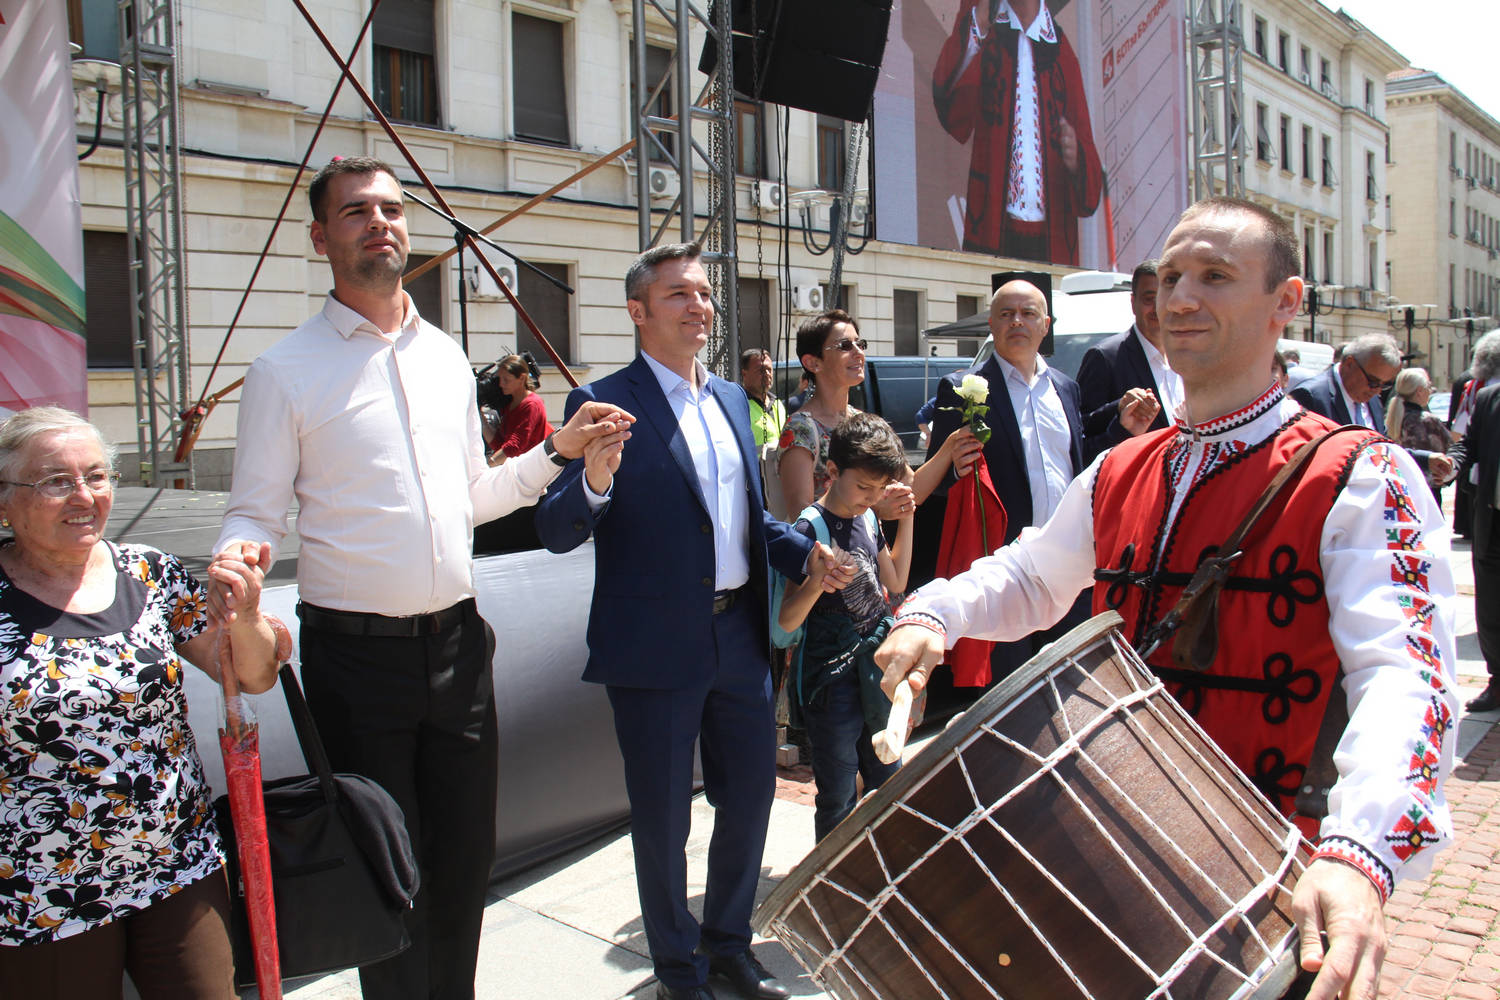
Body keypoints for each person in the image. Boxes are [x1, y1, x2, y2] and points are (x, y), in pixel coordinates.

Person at [877, 197, 1458, 1000]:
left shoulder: (1363, 476)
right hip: (1114, 858)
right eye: (1172, 278)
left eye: (1215, 276)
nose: (1180, 299)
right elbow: (1033, 577)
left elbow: (1408, 677)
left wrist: (1360, 850)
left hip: (1277, 884)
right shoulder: (1122, 468)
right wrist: (933, 612)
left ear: (1285, 301)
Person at [211, 156, 630, 1000]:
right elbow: (254, 511)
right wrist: (239, 555)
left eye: (392, 209)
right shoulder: (284, 370)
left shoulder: (444, 357)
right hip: (356, 662)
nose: (380, 222)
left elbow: (475, 498)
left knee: (464, 862)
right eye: (356, 211)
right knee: (388, 875)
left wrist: (559, 451)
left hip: (460, 652)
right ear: (320, 236)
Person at [535, 242, 852, 1000]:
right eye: (678, 293)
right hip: (652, 650)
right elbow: (553, 528)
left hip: (738, 639)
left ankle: (729, 944)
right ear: (638, 311)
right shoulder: (601, 403)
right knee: (662, 819)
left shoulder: (732, 401)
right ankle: (679, 972)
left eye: (704, 293)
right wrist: (596, 481)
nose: (698, 306)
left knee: (749, 799)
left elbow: (743, 521)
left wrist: (805, 553)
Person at [0, 407, 281, 999]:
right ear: (6, 500)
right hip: (39, 888)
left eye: (96, 476)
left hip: (177, 860)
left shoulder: (149, 572)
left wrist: (248, 613)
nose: (84, 496)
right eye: (56, 481)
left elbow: (251, 676)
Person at [923, 279, 1089, 682]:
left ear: (1045, 325)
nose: (1017, 321)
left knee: (1073, 687)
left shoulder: (1066, 388)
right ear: (992, 325)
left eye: (1028, 313)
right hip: (1004, 570)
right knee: (1012, 691)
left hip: (1067, 564)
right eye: (1006, 314)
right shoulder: (962, 389)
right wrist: (956, 469)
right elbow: (937, 481)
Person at [777, 413, 914, 841]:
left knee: (888, 778)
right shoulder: (808, 527)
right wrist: (818, 581)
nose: (869, 498)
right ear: (833, 471)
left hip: (874, 670)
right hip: (830, 680)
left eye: (879, 490)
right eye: (862, 487)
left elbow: (895, 581)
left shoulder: (869, 517)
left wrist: (907, 518)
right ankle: (833, 875)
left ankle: (883, 866)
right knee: (837, 793)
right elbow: (786, 620)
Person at [932, 0, 1102, 264]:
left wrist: (1076, 157)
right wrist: (978, 25)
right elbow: (954, 117)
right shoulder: (986, 32)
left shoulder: (1062, 53)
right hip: (992, 231)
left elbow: (1089, 182)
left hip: (1052, 241)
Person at [776, 310, 975, 521]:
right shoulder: (800, 429)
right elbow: (802, 516)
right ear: (812, 363)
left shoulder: (863, 423)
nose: (858, 353)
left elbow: (912, 488)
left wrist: (952, 444)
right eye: (845, 346)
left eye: (860, 344)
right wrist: (876, 510)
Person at [1291, 333, 1454, 485]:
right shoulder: (1310, 397)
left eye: (1385, 384)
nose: (1377, 390)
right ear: (1349, 364)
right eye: (1373, 382)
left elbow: (1381, 448)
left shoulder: (1372, 399)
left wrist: (1426, 460)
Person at [1076, 260, 1176, 462]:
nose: (1158, 308)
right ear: (1133, 303)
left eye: (1165, 298)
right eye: (1149, 299)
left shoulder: (1187, 357)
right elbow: (1080, 445)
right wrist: (1123, 427)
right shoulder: (1105, 357)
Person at [1449, 379, 1500, 713]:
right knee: (1491, 607)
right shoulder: (1489, 397)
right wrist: (1451, 463)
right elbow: (1468, 445)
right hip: (1493, 520)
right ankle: (1498, 680)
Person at [1385, 368, 1453, 503]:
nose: (1430, 390)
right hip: (1427, 492)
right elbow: (1450, 449)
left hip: (1399, 489)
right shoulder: (1427, 420)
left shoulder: (1392, 419)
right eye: (1429, 386)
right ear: (1420, 391)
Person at [487, 353, 553, 465]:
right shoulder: (510, 405)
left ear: (521, 378)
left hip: (532, 468)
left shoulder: (532, 404)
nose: (501, 384)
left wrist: (489, 464)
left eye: (506, 380)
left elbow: (515, 445)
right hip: (518, 468)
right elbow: (500, 444)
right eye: (500, 379)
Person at [740, 348, 785, 449]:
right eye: (761, 370)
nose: (767, 374)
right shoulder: (739, 406)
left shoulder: (777, 404)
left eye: (769, 370)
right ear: (744, 374)